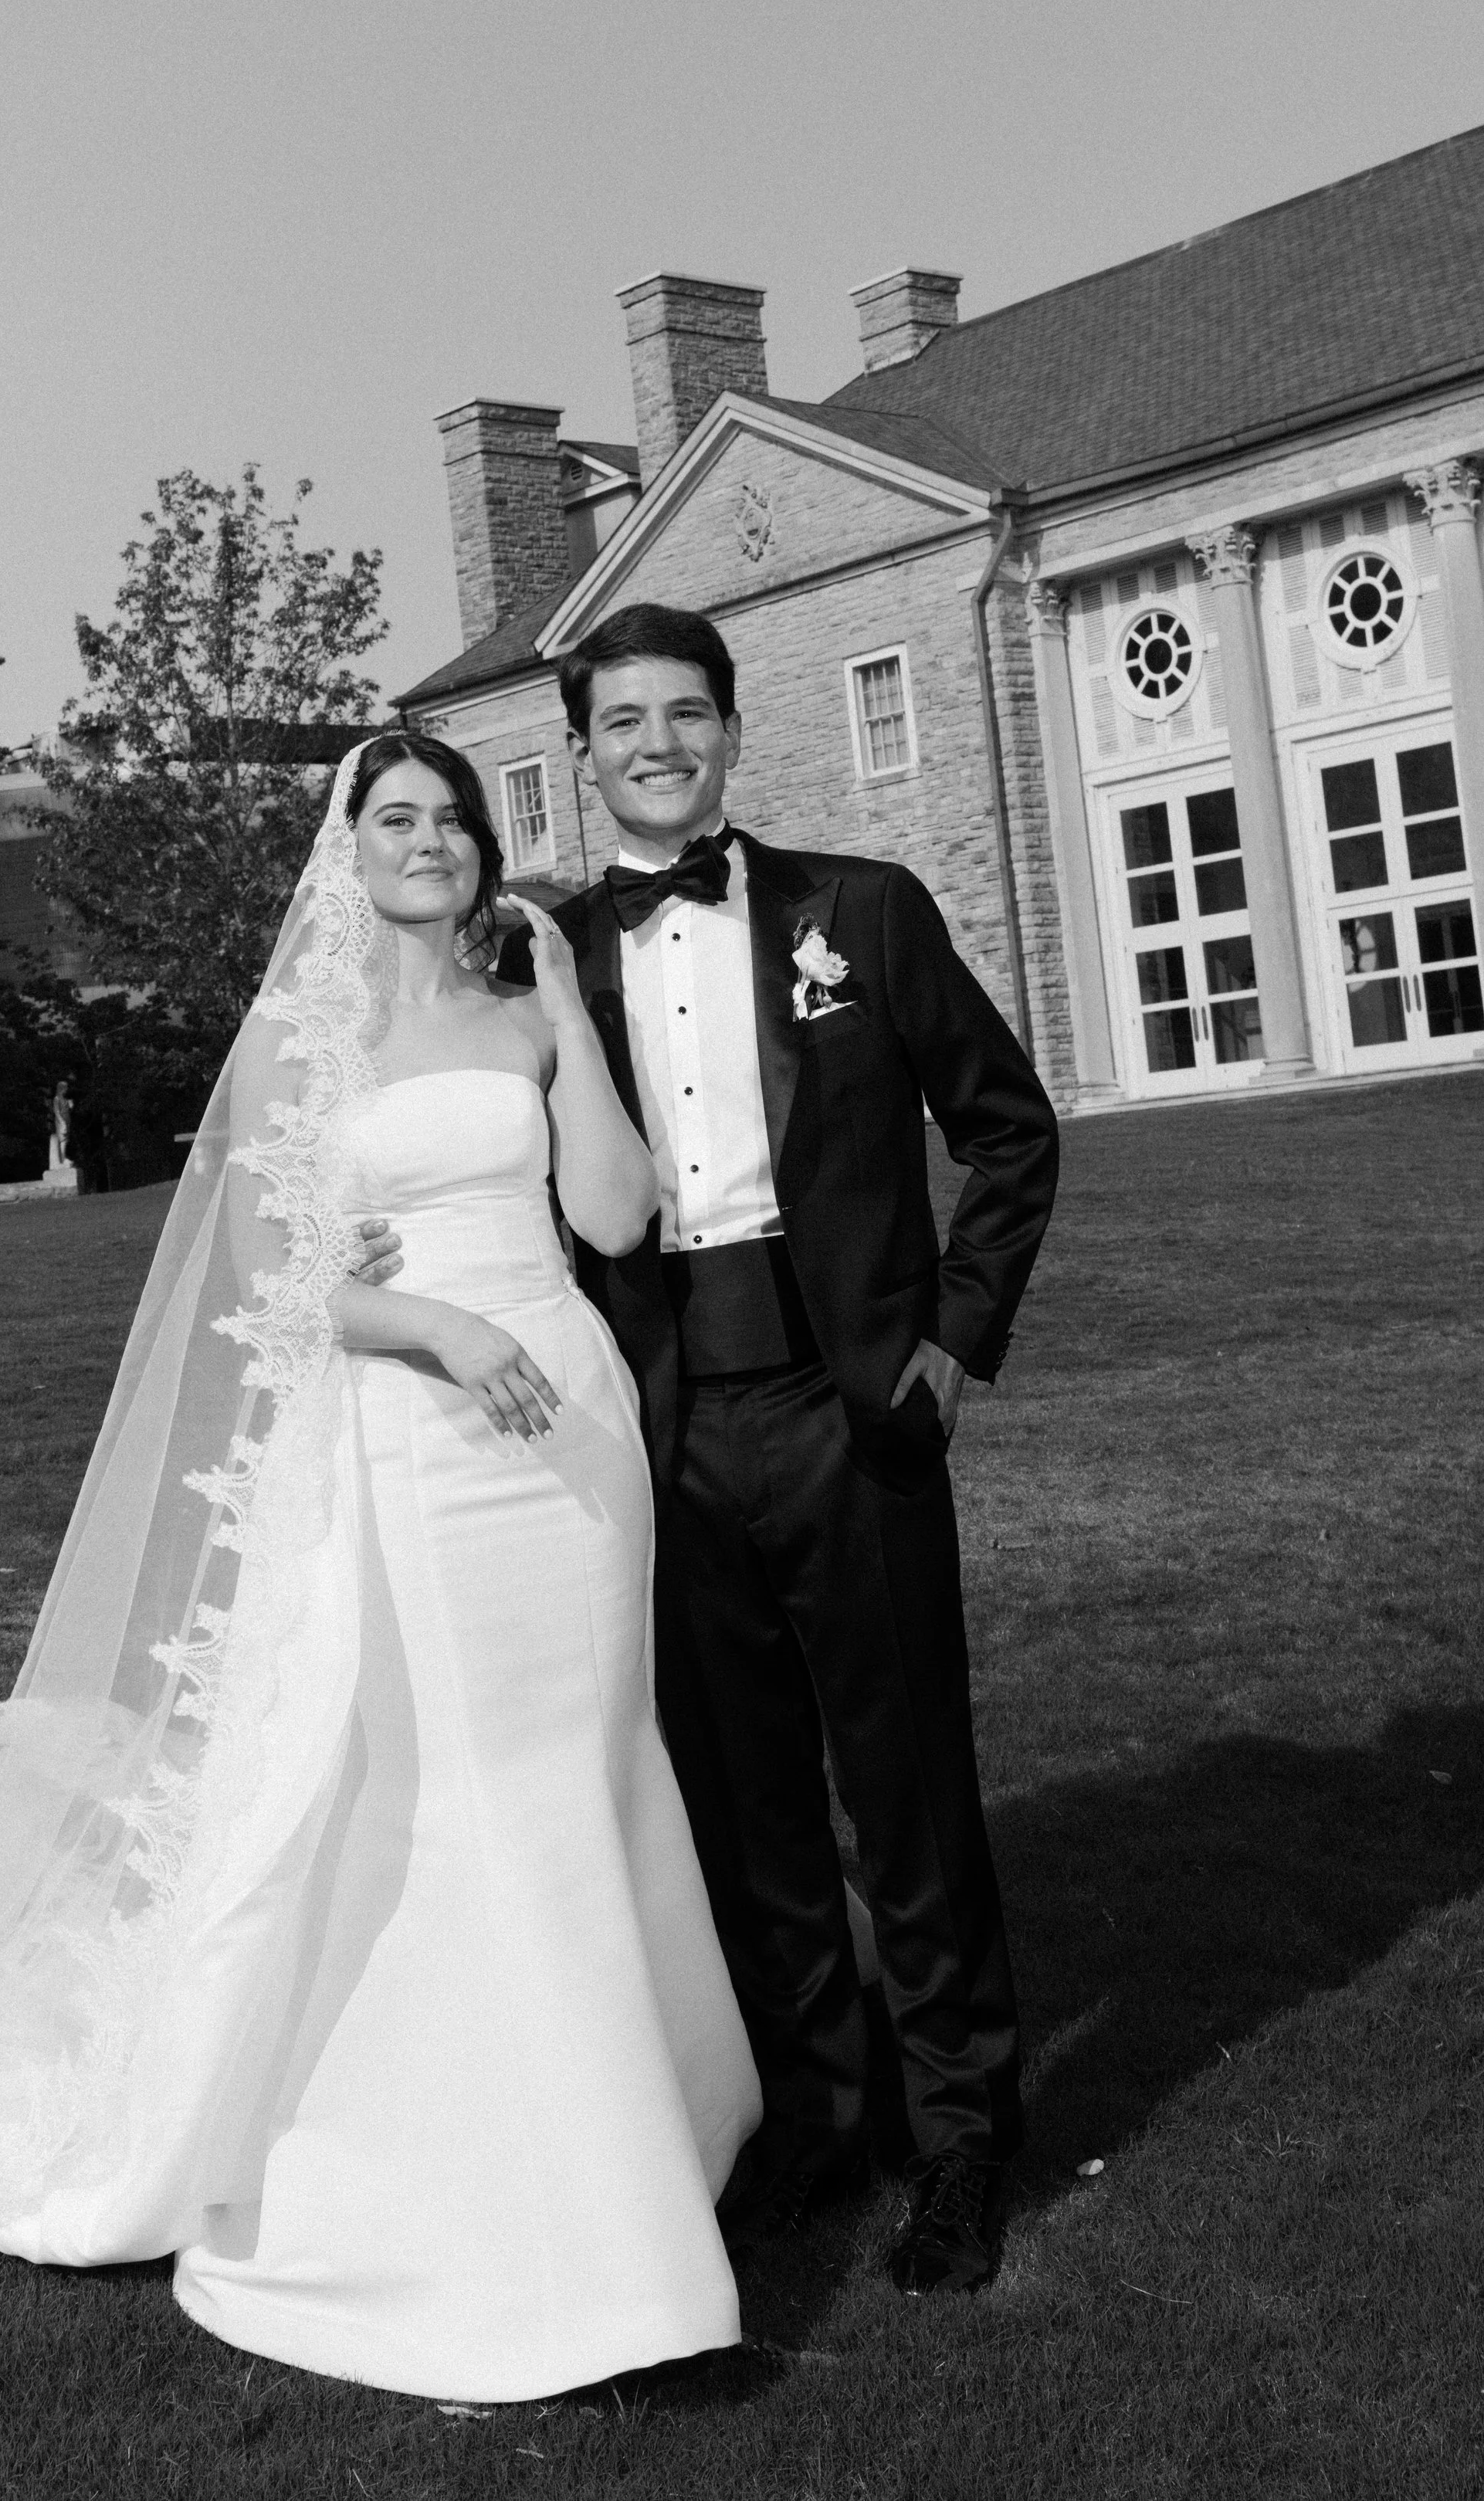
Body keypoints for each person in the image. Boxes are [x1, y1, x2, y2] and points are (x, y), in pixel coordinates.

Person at [0, 732, 761, 2404]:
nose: (426, 842)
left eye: (449, 819)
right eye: (391, 819)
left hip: (573, 1430)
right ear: (345, 850)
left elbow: (621, 1220)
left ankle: (651, 2121)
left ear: (485, 848)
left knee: (592, 1762)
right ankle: (493, 2194)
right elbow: (264, 1291)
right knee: (469, 1789)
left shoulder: (512, 1006)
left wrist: (564, 1010)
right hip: (420, 1432)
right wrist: (423, 1317)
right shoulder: (296, 1036)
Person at [456, 602, 1059, 2295]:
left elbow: (1006, 1129)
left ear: (729, 729)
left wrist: (952, 1342)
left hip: (848, 1410)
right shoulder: (546, 958)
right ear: (580, 750)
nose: (656, 742)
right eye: (621, 720)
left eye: (685, 713)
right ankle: (816, 2111)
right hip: (650, 1435)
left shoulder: (859, 910)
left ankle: (958, 2138)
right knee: (743, 1808)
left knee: (906, 1792)